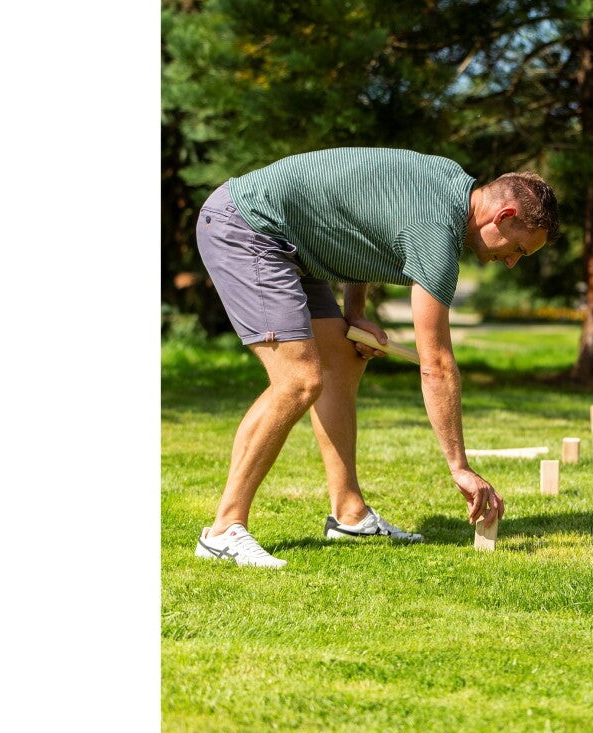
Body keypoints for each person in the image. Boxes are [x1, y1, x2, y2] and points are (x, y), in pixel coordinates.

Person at [192, 146, 560, 568]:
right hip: (248, 226)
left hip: (295, 243)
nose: (511, 262)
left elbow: (364, 222)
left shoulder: (448, 185)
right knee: (298, 380)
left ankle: (349, 513)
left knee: (343, 361)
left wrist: (355, 313)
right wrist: (459, 466)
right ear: (504, 217)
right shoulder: (438, 232)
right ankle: (223, 530)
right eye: (519, 249)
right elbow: (436, 364)